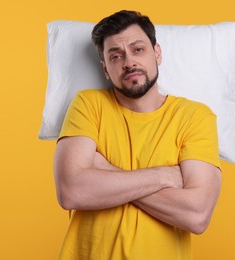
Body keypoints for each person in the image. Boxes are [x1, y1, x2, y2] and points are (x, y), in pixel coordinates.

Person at [53, 10, 222, 260]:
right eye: (116, 56)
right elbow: (71, 191)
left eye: (138, 49)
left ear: (157, 53)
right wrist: (163, 175)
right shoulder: (88, 105)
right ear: (106, 69)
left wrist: (105, 170)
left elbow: (197, 216)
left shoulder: (195, 117)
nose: (129, 62)